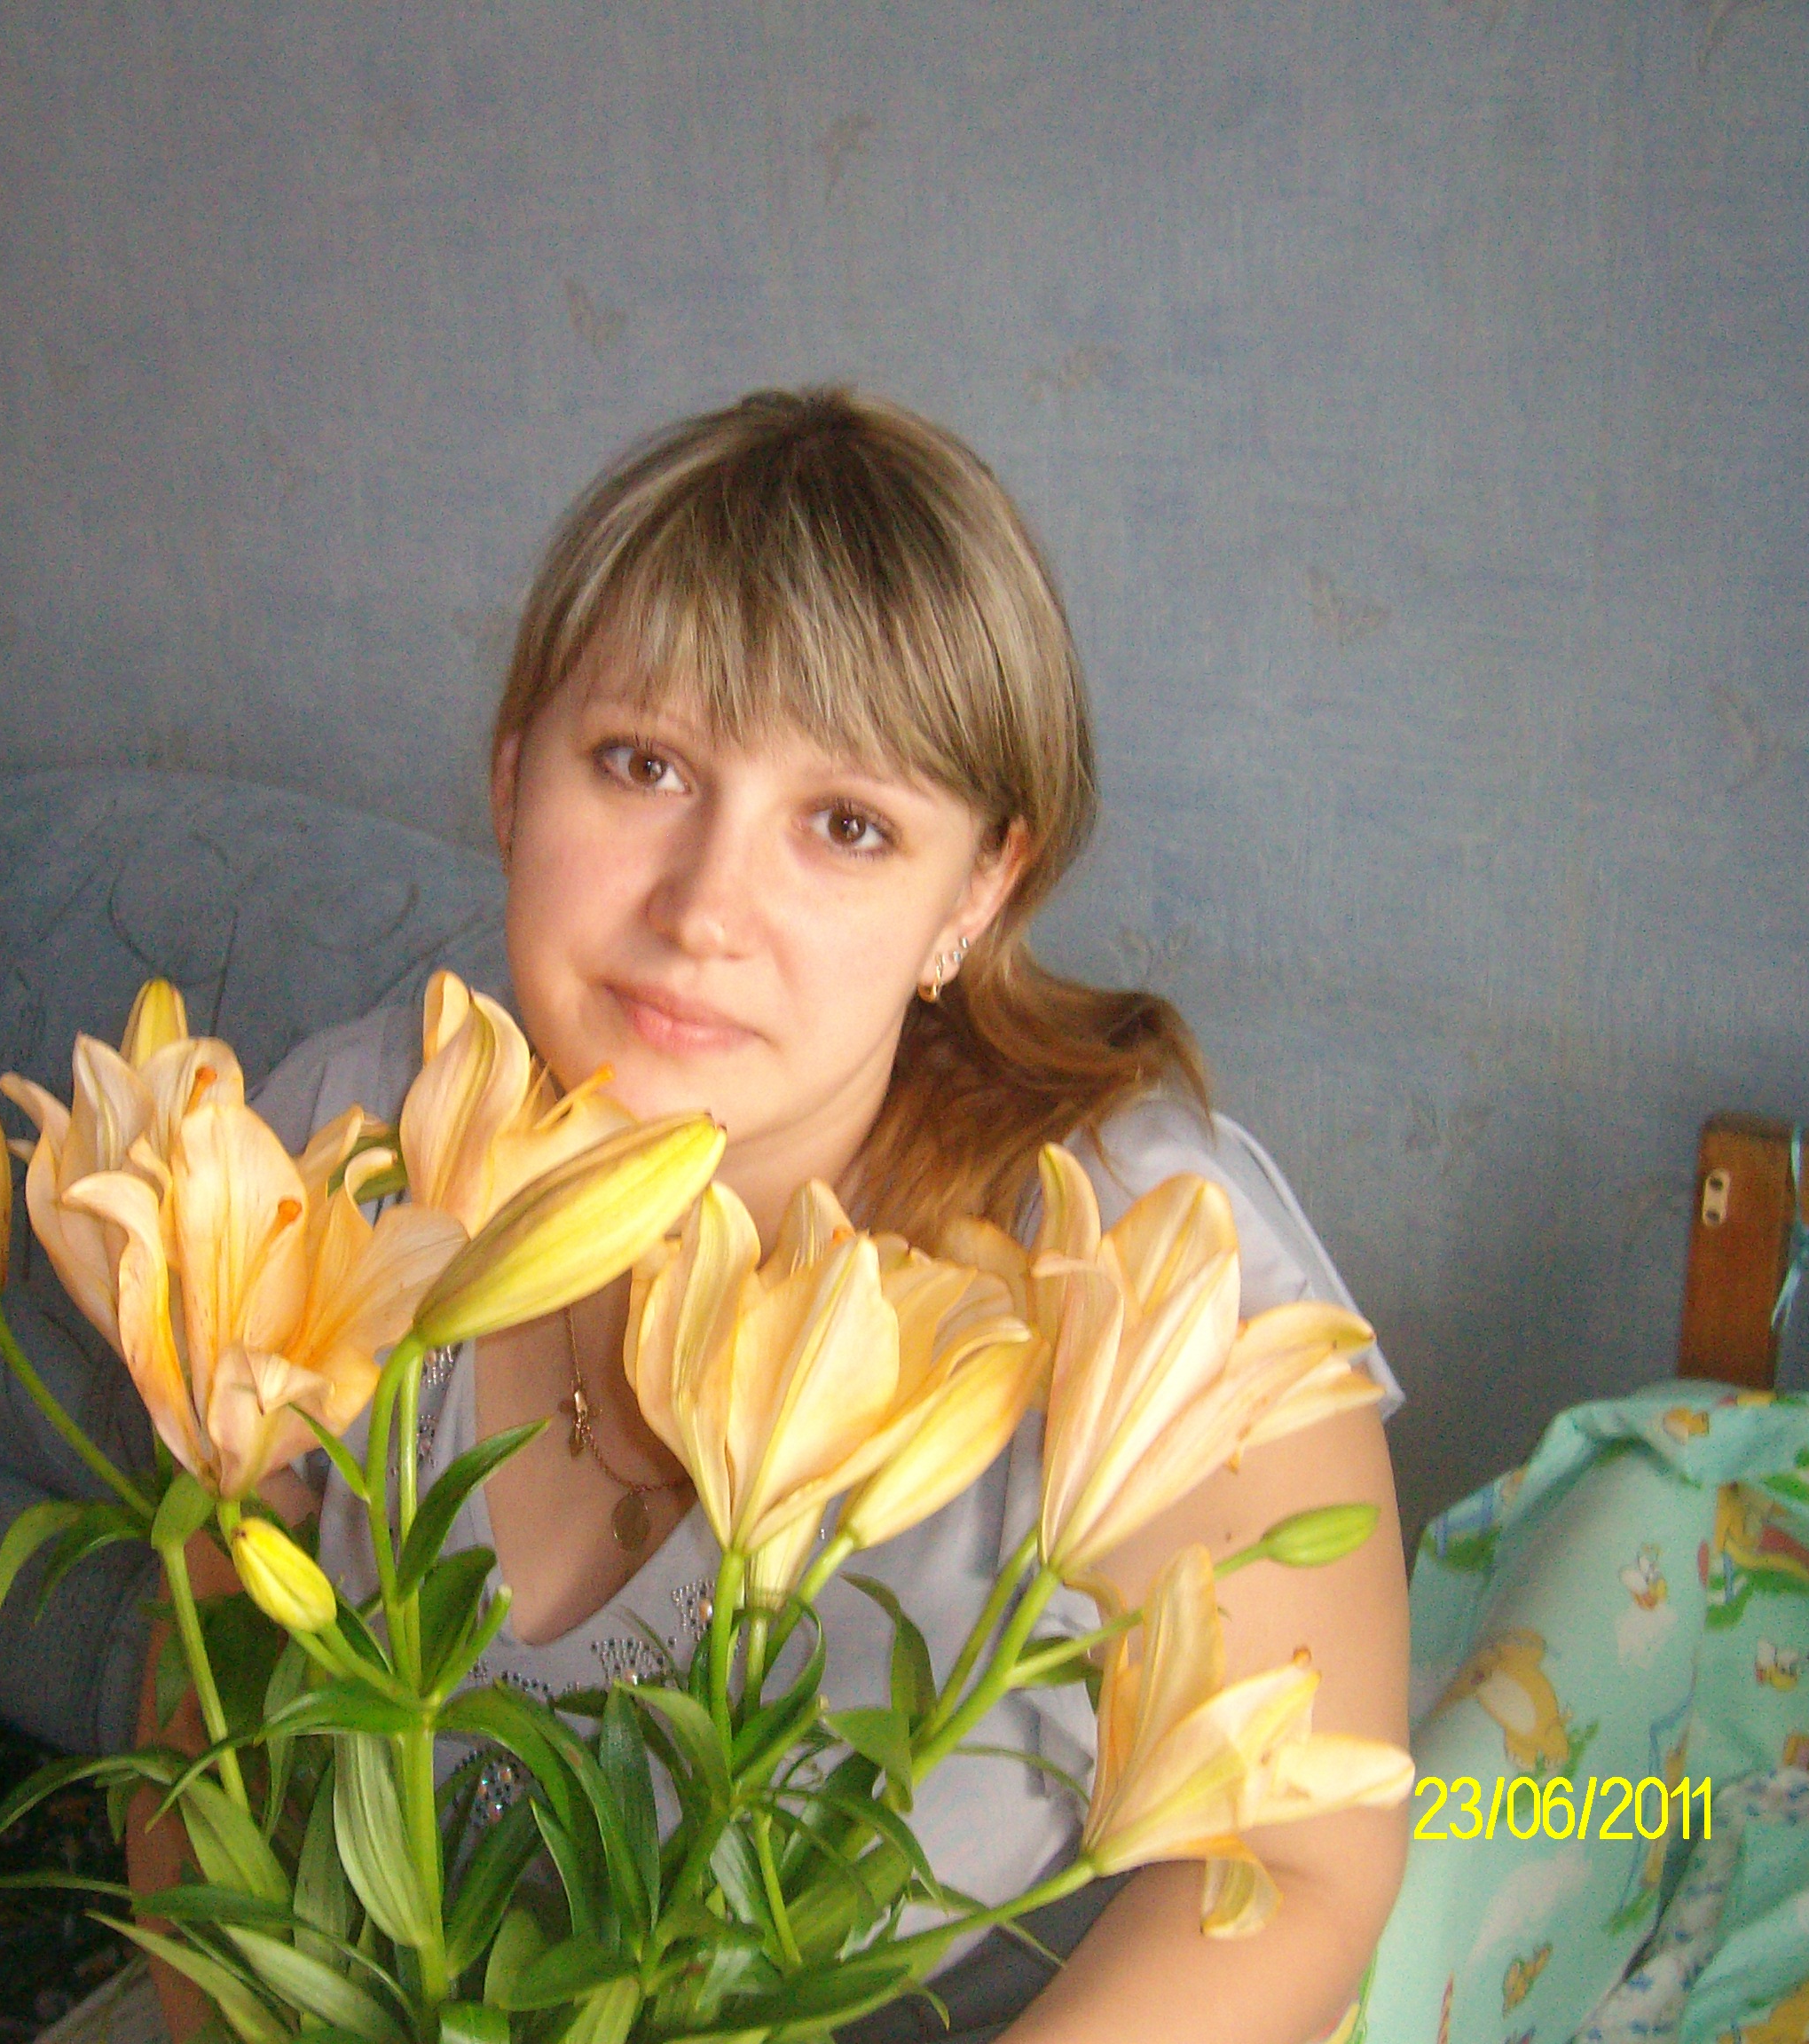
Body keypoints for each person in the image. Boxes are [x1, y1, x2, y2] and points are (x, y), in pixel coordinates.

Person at [128, 386, 1411, 2044]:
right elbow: (201, 1715)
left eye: (848, 825)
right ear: (512, 776)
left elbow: (1297, 1873)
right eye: (643, 764)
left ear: (978, 891)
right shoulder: (344, 1150)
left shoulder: (1142, 1266)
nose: (705, 909)